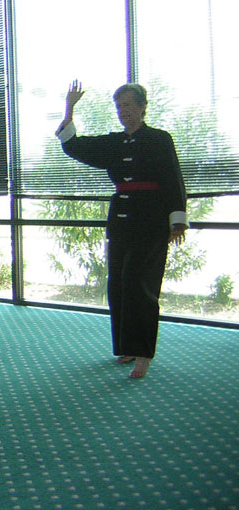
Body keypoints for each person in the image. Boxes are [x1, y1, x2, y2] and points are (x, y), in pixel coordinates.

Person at [55, 81, 188, 379]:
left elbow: (173, 179)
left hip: (151, 221)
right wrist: (70, 107)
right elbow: (73, 145)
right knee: (119, 286)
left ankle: (143, 353)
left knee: (141, 286)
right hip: (120, 222)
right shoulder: (113, 143)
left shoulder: (160, 139)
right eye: (119, 106)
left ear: (142, 107)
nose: (123, 110)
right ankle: (127, 347)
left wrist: (177, 221)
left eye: (128, 104)